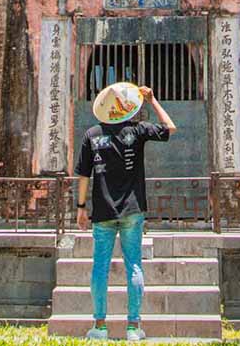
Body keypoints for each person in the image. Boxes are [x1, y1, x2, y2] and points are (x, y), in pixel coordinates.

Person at [75, 81, 177, 342]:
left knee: (99, 268)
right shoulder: (138, 130)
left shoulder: (92, 134)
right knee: (134, 266)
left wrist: (81, 207)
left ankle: (99, 327)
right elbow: (169, 128)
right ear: (128, 107)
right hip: (133, 210)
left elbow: (84, 175)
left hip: (103, 211)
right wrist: (152, 101)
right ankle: (133, 327)